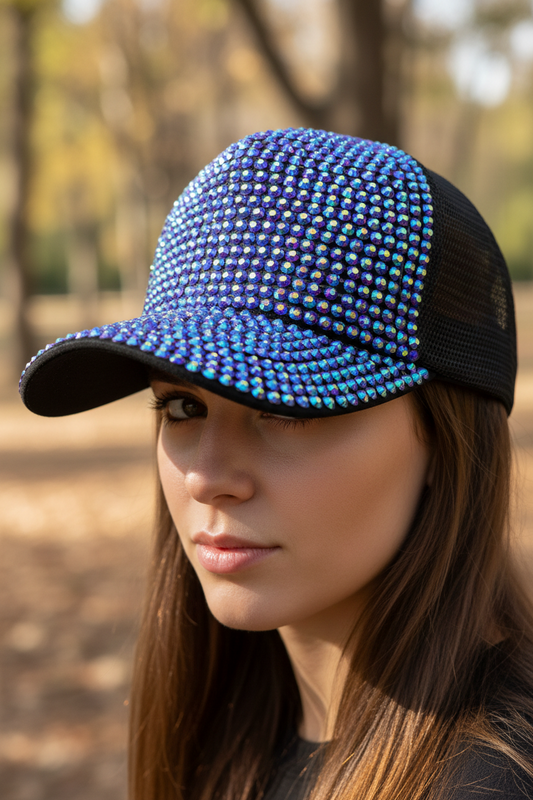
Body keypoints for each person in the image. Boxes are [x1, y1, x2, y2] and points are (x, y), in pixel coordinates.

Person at [20, 128, 533, 800]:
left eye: (285, 409)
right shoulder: (229, 731)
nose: (206, 477)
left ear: (443, 439)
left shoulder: (492, 781)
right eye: (180, 408)